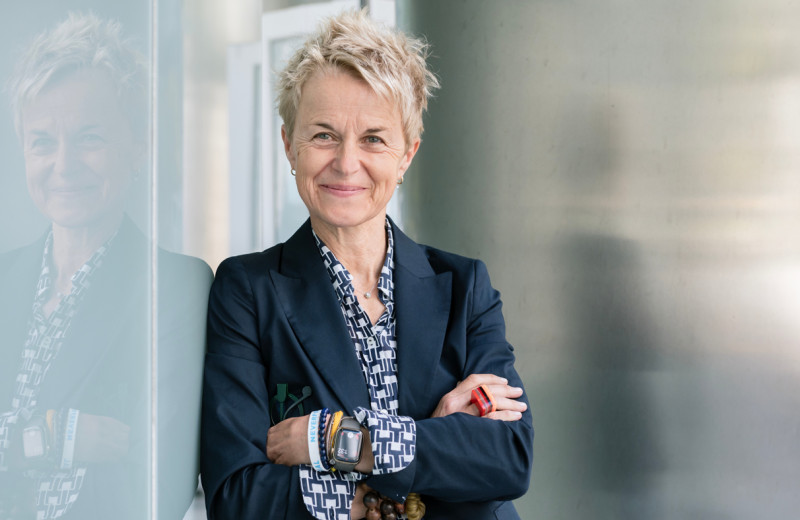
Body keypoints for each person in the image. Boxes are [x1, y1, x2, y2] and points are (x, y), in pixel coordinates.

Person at [201, 10, 533, 520]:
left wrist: (328, 439)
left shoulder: (466, 288)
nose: (346, 162)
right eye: (323, 135)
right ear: (288, 145)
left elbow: (507, 460)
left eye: (374, 138)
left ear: (406, 155)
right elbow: (239, 498)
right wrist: (432, 441)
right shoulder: (246, 291)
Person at [0, 13, 211, 519]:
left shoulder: (176, 289)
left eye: (89, 137)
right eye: (43, 141)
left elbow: (158, 486)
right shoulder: (4, 279)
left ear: (137, 146)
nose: (64, 164)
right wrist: (56, 438)